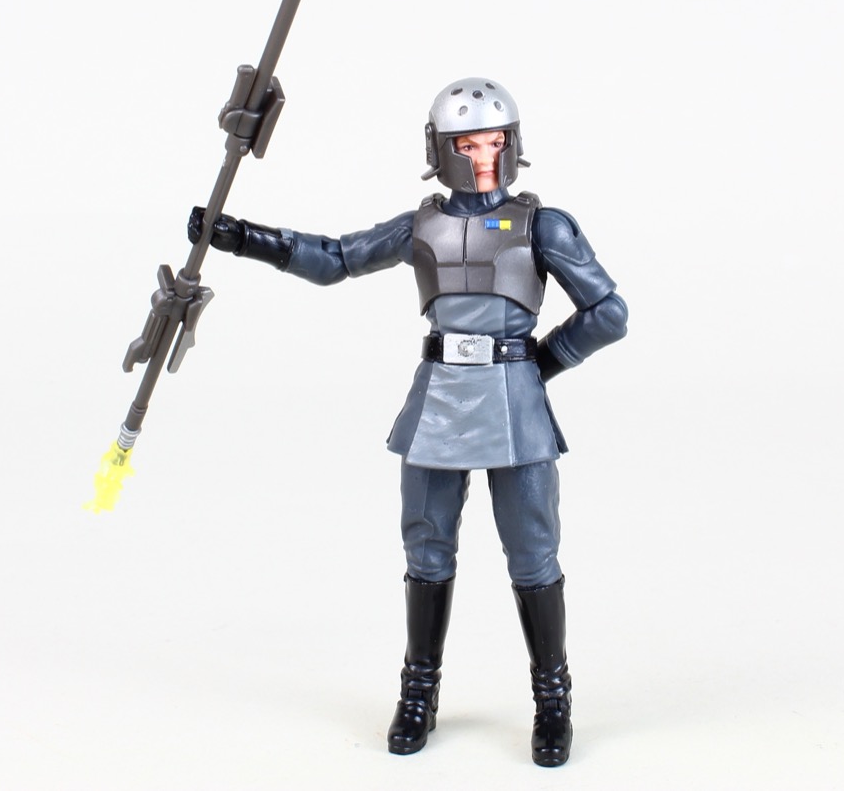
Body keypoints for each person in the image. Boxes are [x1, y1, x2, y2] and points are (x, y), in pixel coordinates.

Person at [189, 78, 627, 766]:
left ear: (514, 145)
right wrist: (245, 238)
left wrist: (536, 365)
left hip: (514, 408)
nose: (484, 157)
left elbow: (609, 313)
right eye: (468, 145)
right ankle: (418, 694)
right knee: (426, 552)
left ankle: (553, 701)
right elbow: (336, 259)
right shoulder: (420, 225)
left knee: (533, 556)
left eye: (495, 142)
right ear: (442, 150)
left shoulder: (543, 225)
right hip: (439, 401)